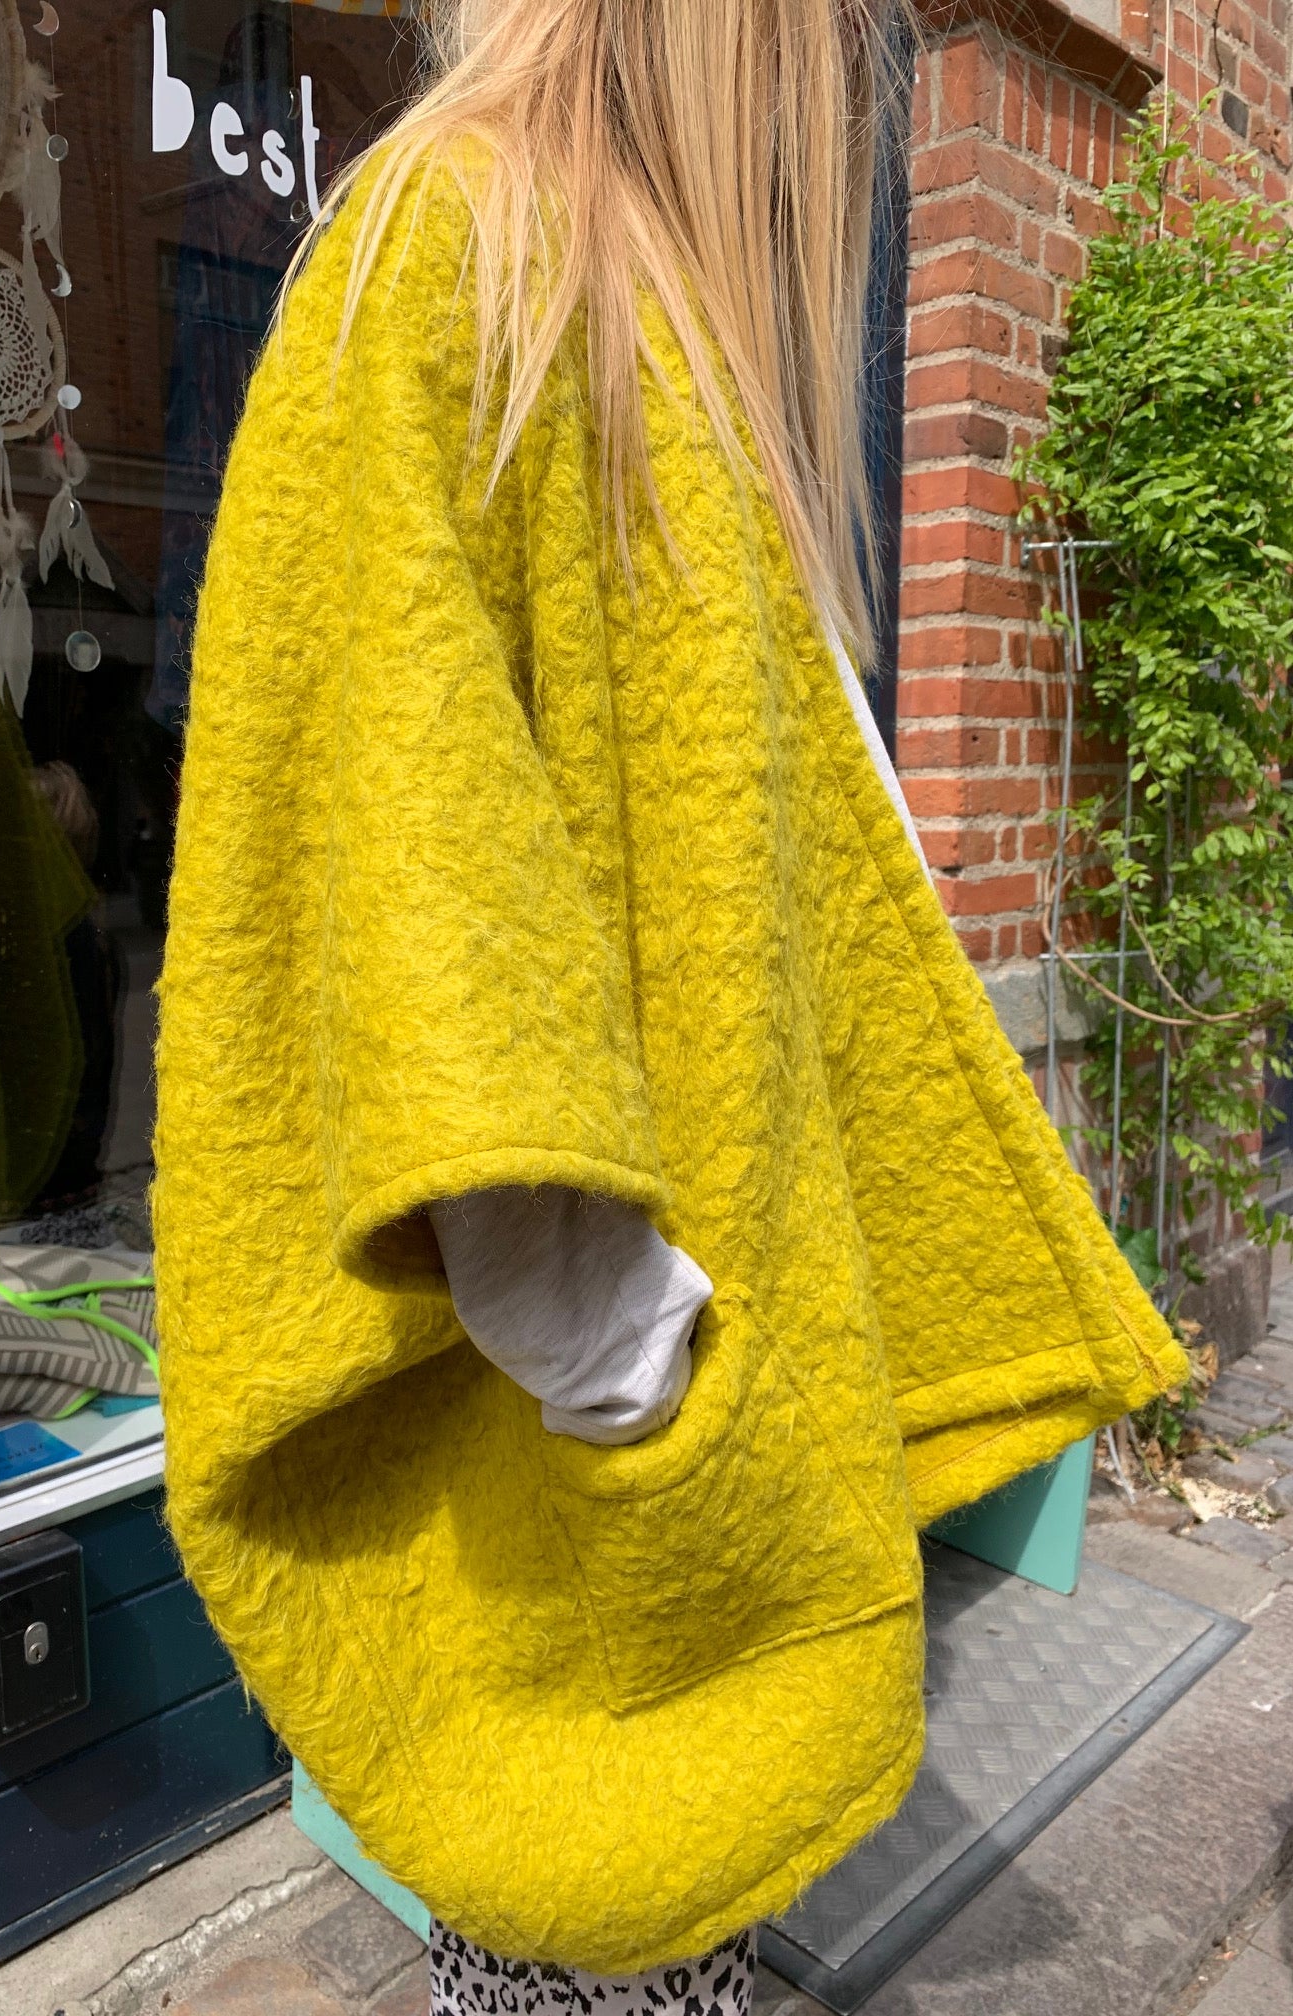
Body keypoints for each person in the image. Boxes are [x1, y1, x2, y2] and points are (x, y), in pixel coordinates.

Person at [153, 1, 1189, 2008]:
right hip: (615, 1513)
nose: (861, 69)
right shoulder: (466, 256)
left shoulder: (626, 316)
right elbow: (429, 956)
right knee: (587, 1962)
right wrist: (677, 1412)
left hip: (663, 1472)